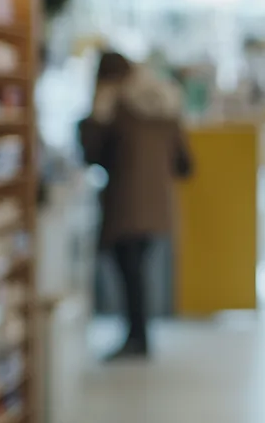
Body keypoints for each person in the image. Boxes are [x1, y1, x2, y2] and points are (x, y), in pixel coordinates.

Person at [78, 51, 192, 360]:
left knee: (130, 272)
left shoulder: (117, 107)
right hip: (158, 204)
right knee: (137, 271)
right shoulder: (166, 103)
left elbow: (91, 154)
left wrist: (97, 114)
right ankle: (138, 336)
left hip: (125, 205)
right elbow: (185, 163)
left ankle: (137, 338)